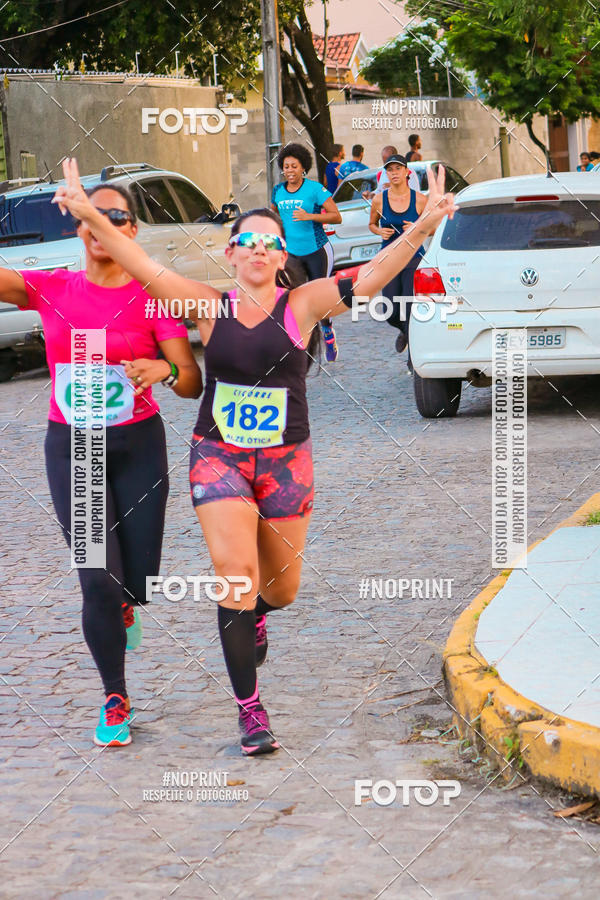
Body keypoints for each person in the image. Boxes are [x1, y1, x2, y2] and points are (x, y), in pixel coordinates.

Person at [53, 158, 457, 756]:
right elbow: (142, 265)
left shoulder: (305, 303)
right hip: (218, 458)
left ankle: (260, 613)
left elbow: (370, 278)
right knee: (235, 577)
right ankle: (249, 708)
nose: (260, 250)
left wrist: (419, 228)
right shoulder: (207, 307)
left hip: (287, 461)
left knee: (282, 588)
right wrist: (91, 214)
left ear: (281, 256)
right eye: (249, 241)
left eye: (271, 242)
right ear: (231, 253)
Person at [0, 179, 203, 748]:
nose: (99, 225)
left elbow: (192, 383)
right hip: (77, 447)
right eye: (89, 215)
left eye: (113, 215)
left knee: (136, 578)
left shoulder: (154, 298)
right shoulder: (53, 288)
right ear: (77, 226)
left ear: (130, 230)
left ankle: (129, 603)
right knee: (97, 579)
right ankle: (114, 696)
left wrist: (164, 370)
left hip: (139, 445)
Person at [271, 142, 342, 362]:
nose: (290, 170)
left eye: (294, 166)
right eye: (286, 166)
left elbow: (336, 216)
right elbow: (275, 215)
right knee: (297, 299)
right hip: (291, 254)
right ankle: (302, 344)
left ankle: (328, 331)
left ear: (303, 168)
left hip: (317, 250)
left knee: (319, 298)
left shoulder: (315, 189)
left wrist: (310, 216)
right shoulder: (278, 192)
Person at [369, 154, 429, 360]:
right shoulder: (379, 199)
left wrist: (418, 227)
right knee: (390, 310)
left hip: (414, 258)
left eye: (398, 169)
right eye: (390, 170)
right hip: (389, 259)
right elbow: (372, 224)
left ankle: (414, 358)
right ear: (387, 173)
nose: (394, 173)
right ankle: (404, 332)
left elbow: (434, 228)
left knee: (411, 308)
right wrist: (379, 232)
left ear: (406, 172)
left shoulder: (420, 200)